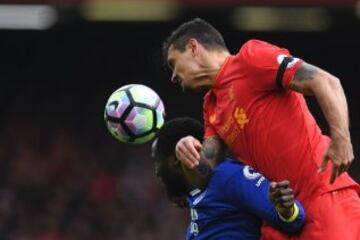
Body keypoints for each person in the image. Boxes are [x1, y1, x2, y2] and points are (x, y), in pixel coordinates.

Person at [162, 18, 360, 239]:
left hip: (322, 197)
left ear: (193, 47)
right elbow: (203, 175)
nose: (172, 76)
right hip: (281, 218)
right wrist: (185, 148)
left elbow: (325, 81)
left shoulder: (250, 58)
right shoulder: (212, 105)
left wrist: (341, 140)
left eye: (173, 63)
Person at [152, 117, 306, 239]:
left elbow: (293, 219)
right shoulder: (199, 192)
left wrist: (287, 210)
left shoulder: (228, 176)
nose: (157, 171)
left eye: (156, 161)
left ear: (175, 160)